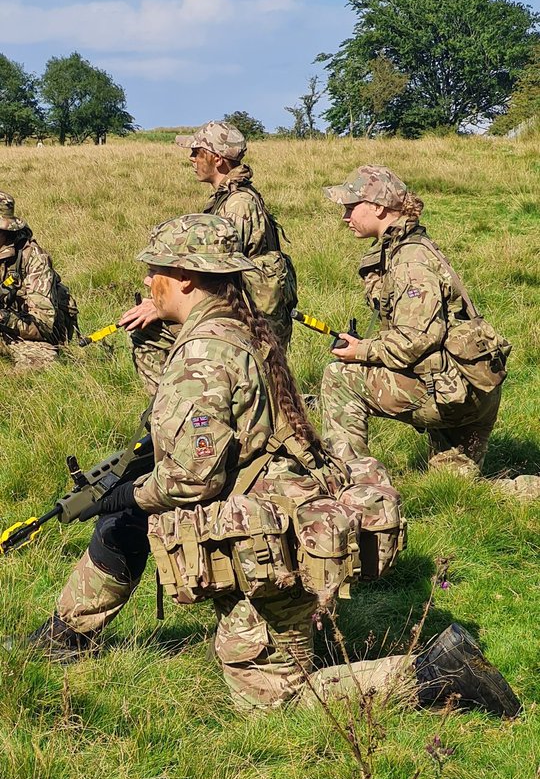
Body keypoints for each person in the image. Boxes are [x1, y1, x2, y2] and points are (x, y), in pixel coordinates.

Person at [16, 215, 520, 718]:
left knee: (269, 705)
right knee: (131, 528)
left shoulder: (204, 352)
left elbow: (192, 479)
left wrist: (124, 496)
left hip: (272, 543)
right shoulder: (244, 327)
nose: (149, 282)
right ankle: (69, 633)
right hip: (291, 518)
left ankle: (437, 675)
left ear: (187, 277)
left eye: (156, 271)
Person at [320, 166, 508, 476]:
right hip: (471, 388)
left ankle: (353, 484)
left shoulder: (409, 260)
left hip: (449, 392)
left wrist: (361, 352)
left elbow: (415, 339)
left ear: (379, 207)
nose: (344, 216)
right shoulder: (412, 246)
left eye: (351, 207)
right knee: (457, 491)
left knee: (340, 377)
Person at [119, 121, 296, 395]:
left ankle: (181, 406)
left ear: (217, 158)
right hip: (244, 313)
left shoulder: (238, 205)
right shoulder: (231, 198)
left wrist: (162, 306)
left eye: (196, 152)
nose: (191, 159)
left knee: (149, 334)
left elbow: (221, 278)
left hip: (246, 319)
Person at [0, 191, 78, 371]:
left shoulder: (33, 258)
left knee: (41, 362)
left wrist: (3, 317)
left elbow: (44, 326)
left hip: (30, 333)